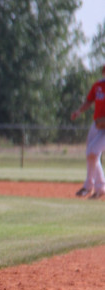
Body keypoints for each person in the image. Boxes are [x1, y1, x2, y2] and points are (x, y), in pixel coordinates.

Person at [70, 65, 105, 200]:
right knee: (90, 153)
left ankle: (96, 186)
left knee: (92, 152)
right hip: (98, 124)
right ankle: (93, 186)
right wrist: (78, 112)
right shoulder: (97, 86)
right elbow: (89, 101)